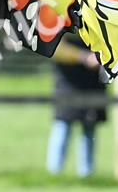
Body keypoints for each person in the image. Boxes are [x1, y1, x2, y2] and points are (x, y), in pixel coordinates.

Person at [45, 37, 107, 178]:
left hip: (92, 80)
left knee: (89, 127)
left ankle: (87, 174)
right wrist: (83, 57)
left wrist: (100, 56)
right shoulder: (59, 19)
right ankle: (54, 174)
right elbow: (53, 46)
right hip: (68, 82)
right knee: (63, 125)